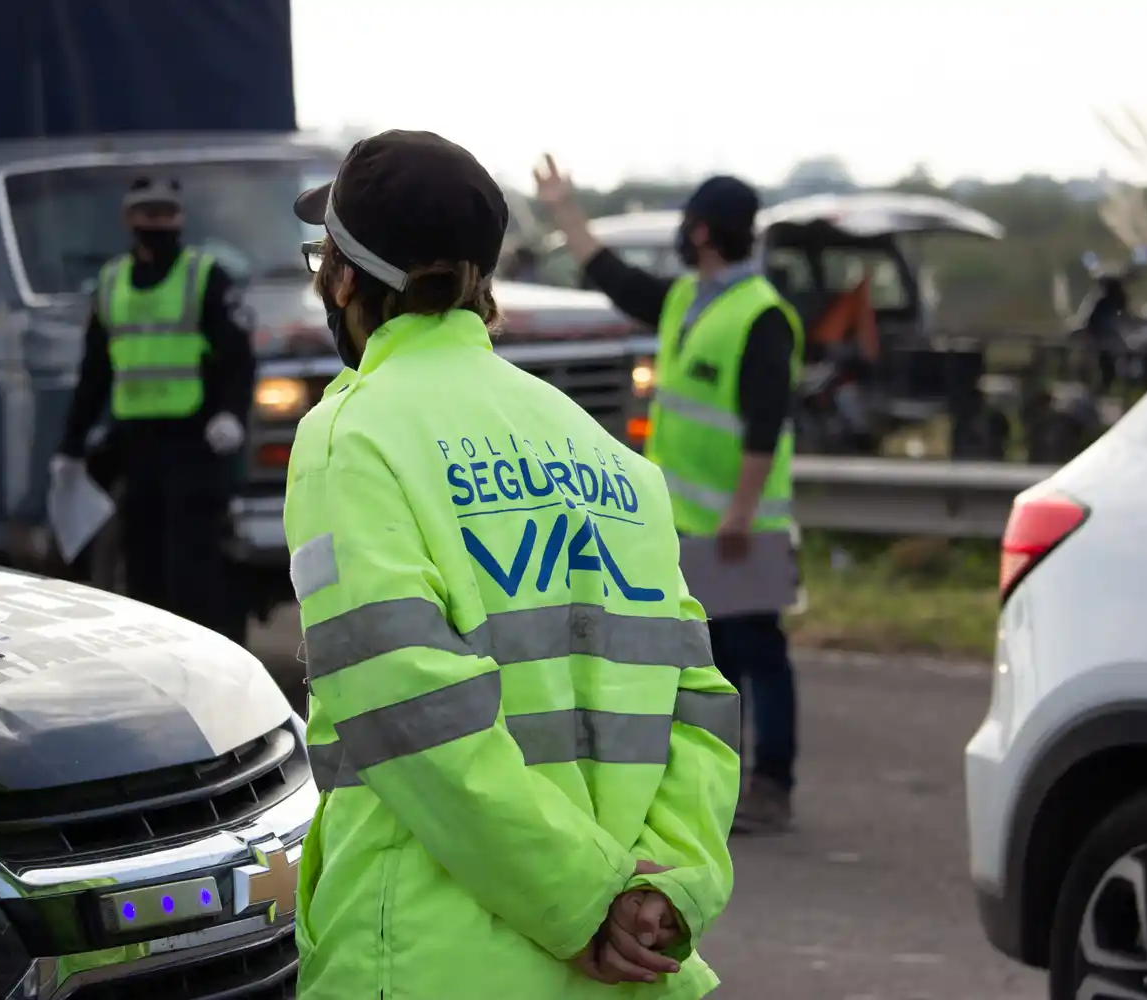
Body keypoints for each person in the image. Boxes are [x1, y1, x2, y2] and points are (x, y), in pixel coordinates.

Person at [284, 129, 739, 1000]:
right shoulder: (610, 459)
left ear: (345, 278)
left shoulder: (353, 434)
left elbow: (407, 710)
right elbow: (699, 707)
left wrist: (580, 904)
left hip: (429, 961)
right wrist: (665, 892)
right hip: (631, 969)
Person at [535, 156, 803, 833]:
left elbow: (766, 423)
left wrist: (741, 509)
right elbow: (614, 277)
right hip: (689, 520)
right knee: (709, 653)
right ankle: (723, 781)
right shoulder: (688, 298)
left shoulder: (760, 315)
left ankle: (773, 783)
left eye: (689, 226)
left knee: (758, 652)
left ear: (705, 232)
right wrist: (565, 213)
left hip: (743, 521)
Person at [52, 176, 255, 637]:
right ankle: (159, 663)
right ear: (130, 218)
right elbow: (95, 373)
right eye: (148, 212)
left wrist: (230, 413)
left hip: (194, 444)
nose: (157, 222)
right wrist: (70, 446)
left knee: (194, 567)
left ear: (180, 218)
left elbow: (238, 358)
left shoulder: (204, 276)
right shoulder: (111, 283)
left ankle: (211, 658)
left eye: (166, 212)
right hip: (137, 446)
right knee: (143, 565)